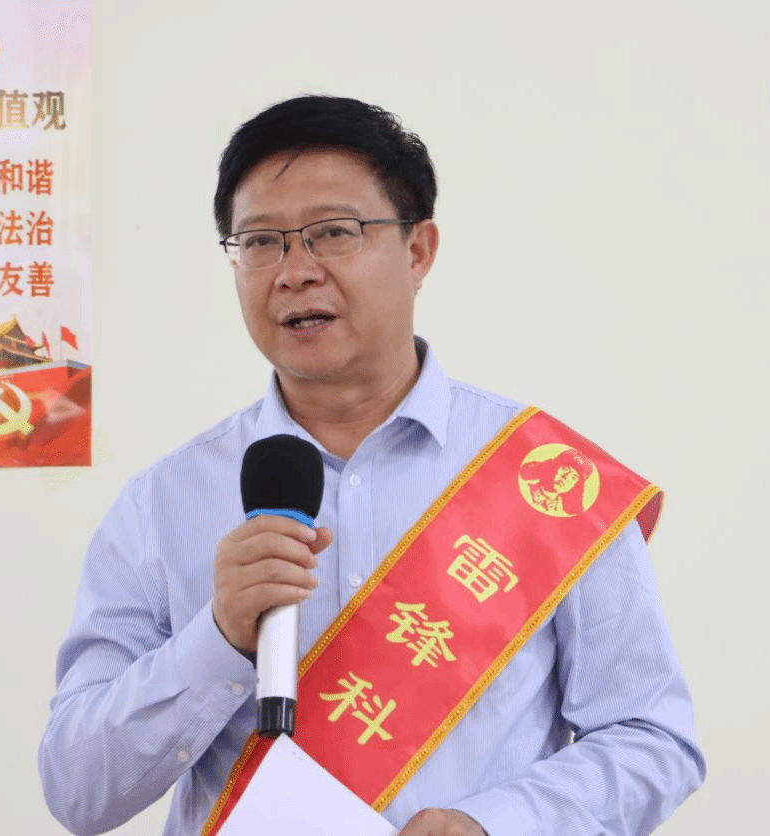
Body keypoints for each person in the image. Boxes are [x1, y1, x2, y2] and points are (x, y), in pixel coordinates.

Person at [38, 95, 705, 836]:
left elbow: (653, 740)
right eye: (260, 242)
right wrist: (218, 636)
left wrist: (496, 824)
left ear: (418, 251)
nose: (295, 272)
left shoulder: (545, 481)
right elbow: (77, 791)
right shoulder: (164, 501)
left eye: (333, 232)